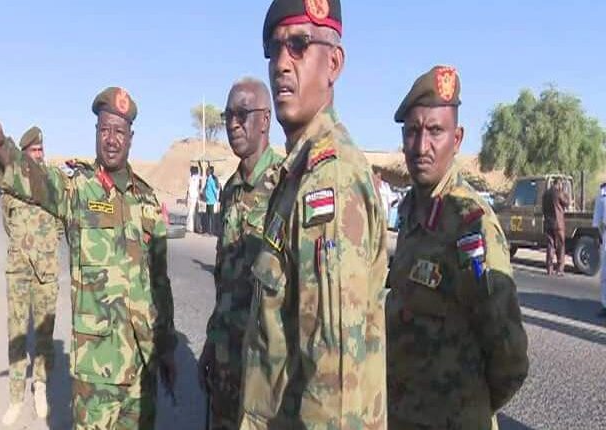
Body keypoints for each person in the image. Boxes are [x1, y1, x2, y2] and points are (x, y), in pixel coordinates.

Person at [0, 87, 177, 430]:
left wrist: (167, 347)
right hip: (96, 372)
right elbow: (38, 181)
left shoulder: (148, 200)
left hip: (142, 368)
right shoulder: (78, 190)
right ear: (96, 133)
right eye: (105, 130)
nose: (111, 139)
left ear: (131, 137)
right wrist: (2, 149)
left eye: (119, 131)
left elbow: (160, 281)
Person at [239, 0, 389, 428]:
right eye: (274, 49)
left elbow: (334, 388)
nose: (282, 64)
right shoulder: (299, 174)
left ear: (334, 64)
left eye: (299, 45)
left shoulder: (330, 180)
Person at [387, 65, 529, 429]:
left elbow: (510, 358)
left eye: (435, 131)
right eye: (413, 132)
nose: (422, 146)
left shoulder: (471, 224)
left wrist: (466, 407)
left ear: (457, 138)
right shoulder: (410, 212)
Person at [197, 77, 282, 430]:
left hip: (263, 371)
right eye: (228, 115)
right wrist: (211, 343)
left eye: (242, 114)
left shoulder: (284, 186)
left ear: (265, 120)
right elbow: (225, 280)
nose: (233, 124)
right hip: (225, 361)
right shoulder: (230, 190)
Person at [0, 126, 61, 425]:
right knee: (17, 333)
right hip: (19, 269)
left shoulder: (52, 183)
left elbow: (60, 223)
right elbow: (7, 222)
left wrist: (44, 246)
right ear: (24, 155)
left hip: (46, 270)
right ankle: (15, 397)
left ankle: (40, 387)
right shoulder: (11, 187)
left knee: (44, 333)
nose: (38, 155)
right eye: (33, 151)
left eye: (41, 150)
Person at [543, 178, 570, 276]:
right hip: (558, 224)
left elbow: (543, 209)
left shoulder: (545, 194)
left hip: (548, 223)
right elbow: (567, 202)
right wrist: (565, 192)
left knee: (550, 245)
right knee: (560, 246)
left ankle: (549, 269)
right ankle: (559, 269)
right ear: (559, 184)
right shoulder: (559, 193)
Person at [593, 182, 606, 316]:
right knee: (605, 273)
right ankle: (605, 304)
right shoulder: (602, 193)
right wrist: (597, 236)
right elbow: (597, 218)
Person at [203, 165, 220, 235]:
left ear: (210, 172)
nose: (206, 172)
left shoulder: (211, 180)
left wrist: (216, 198)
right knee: (207, 216)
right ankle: (208, 231)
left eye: (207, 171)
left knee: (212, 217)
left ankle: (212, 231)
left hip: (211, 201)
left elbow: (215, 190)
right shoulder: (208, 179)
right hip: (208, 200)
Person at [186, 165, 201, 233]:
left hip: (191, 197)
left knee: (190, 212)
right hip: (195, 197)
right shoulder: (197, 178)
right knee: (195, 213)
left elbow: (189, 189)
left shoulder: (191, 178)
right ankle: (196, 227)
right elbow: (197, 188)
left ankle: (190, 228)